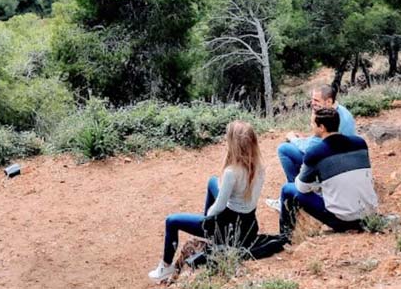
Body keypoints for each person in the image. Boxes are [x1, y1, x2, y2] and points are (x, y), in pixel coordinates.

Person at [148, 121, 264, 282]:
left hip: (226, 229)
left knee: (171, 221)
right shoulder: (259, 166)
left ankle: (165, 267)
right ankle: (206, 233)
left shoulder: (232, 172)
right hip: (249, 226)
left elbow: (220, 206)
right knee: (212, 182)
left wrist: (208, 217)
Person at [278, 107, 378, 235]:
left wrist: (314, 184)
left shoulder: (316, 152)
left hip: (343, 220)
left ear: (322, 127)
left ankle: (284, 236)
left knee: (287, 189)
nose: (311, 126)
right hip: (370, 215)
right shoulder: (360, 143)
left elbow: (302, 188)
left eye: (313, 124)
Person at [264, 85, 356, 212]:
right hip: (343, 161)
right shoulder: (343, 112)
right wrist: (304, 139)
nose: (312, 103)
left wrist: (293, 139)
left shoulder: (328, 119)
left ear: (328, 101)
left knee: (284, 149)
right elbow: (319, 140)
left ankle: (293, 195)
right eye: (312, 100)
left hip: (330, 163)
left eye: (316, 101)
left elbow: (311, 148)